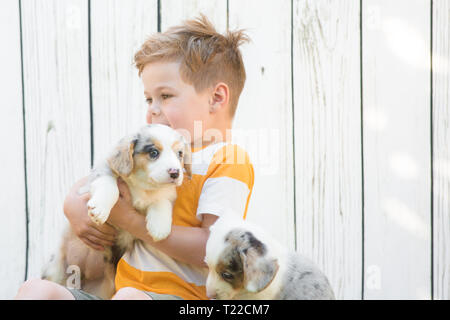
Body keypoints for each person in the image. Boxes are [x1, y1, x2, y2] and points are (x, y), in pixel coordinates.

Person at [15, 14, 254, 300]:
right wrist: (71, 204)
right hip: (117, 291)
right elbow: (99, 178)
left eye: (165, 96)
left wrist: (130, 221)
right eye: (148, 99)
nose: (153, 109)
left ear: (216, 98)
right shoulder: (148, 151)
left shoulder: (228, 160)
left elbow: (210, 249)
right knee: (36, 291)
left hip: (181, 297)